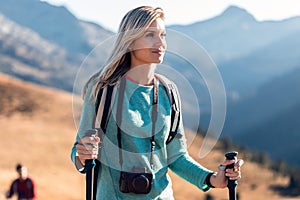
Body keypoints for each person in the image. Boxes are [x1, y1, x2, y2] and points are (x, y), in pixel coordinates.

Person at [71, 5, 244, 199]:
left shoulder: (168, 91)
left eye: (163, 35)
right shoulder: (103, 89)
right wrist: (82, 155)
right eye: (150, 35)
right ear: (130, 40)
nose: (160, 42)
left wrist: (213, 179)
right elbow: (79, 151)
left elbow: (176, 156)